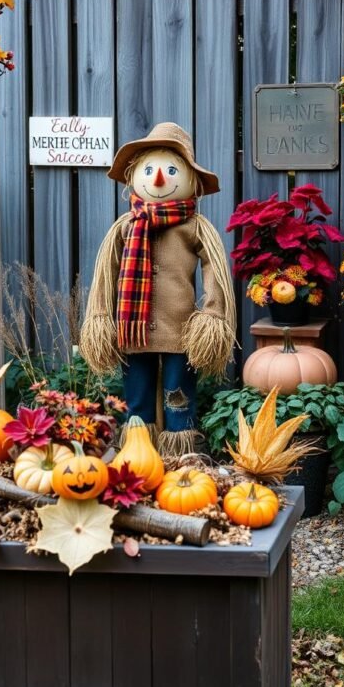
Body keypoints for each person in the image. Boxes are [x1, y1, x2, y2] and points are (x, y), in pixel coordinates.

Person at [79, 122, 236, 455]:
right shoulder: (126, 228)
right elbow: (105, 275)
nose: (159, 179)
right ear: (134, 176)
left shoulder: (193, 228)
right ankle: (140, 453)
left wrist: (212, 313)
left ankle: (179, 457)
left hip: (181, 331)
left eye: (170, 170)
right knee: (137, 400)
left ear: (190, 179)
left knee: (178, 399)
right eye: (149, 170)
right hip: (132, 331)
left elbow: (215, 270)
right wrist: (101, 316)